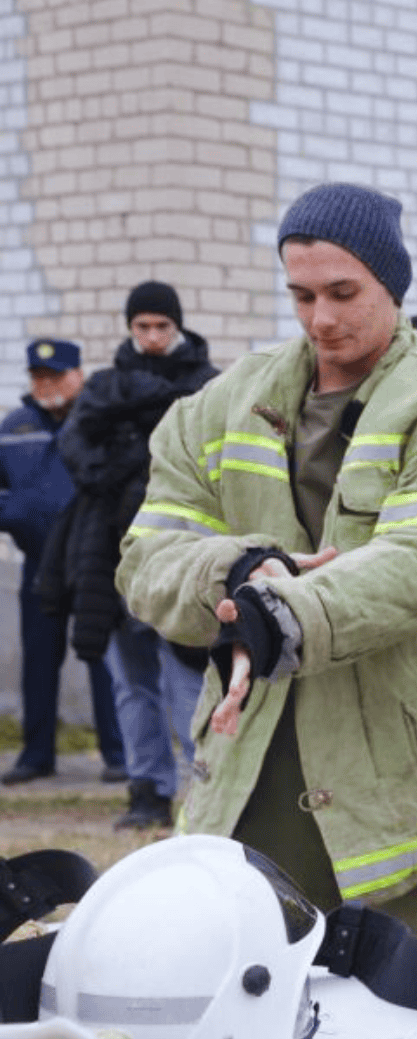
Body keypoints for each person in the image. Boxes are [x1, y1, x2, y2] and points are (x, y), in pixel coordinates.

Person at [117, 182, 417, 969]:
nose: (322, 319)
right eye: (301, 295)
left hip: (414, 776)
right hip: (256, 769)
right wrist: (234, 570)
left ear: (392, 286)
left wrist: (284, 611)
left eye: (344, 292)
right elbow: (148, 554)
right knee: (246, 999)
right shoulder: (222, 404)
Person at [40, 281, 216, 829]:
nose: (154, 336)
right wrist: (112, 476)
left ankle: (207, 793)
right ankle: (148, 792)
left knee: (190, 679)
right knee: (132, 682)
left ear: (178, 326)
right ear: (130, 329)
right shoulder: (105, 386)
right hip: (110, 553)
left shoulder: (206, 387)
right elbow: (74, 444)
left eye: (163, 325)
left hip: (184, 548)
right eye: (143, 326)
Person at [0, 339, 123, 786]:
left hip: (96, 563)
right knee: (39, 660)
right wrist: (13, 513)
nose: (46, 385)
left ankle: (118, 754)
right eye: (38, 377)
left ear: (79, 375)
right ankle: (36, 757)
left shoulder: (102, 421)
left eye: (55, 376)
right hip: (39, 564)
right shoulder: (14, 428)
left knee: (107, 660)